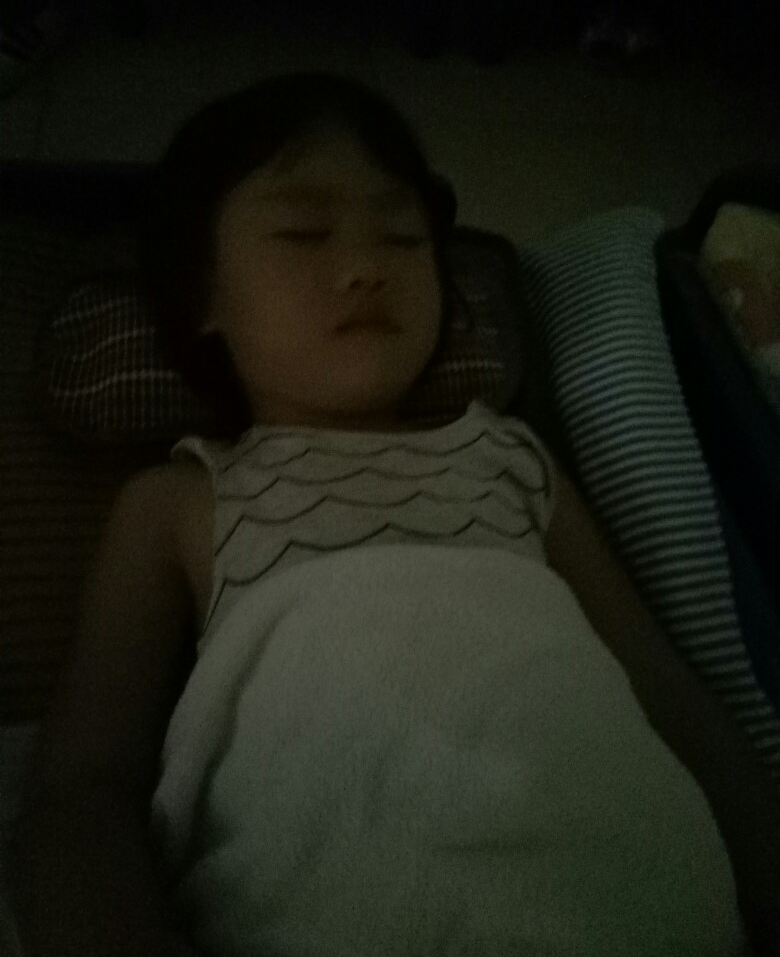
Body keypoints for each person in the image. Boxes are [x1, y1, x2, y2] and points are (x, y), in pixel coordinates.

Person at [10, 71, 780, 957]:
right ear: (201, 296)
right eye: (303, 233)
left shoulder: (512, 459)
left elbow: (673, 701)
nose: (367, 265)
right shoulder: (182, 499)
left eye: (405, 237)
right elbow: (83, 786)